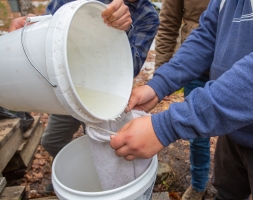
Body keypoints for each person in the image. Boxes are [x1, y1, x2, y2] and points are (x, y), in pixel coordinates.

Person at [110, 0, 253, 199]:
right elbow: (207, 35)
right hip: (234, 128)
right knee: (225, 192)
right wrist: (158, 85)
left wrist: (167, 125)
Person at [9, 0, 159, 194]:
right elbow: (51, 20)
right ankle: (68, 171)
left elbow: (133, 64)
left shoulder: (148, 15)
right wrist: (27, 32)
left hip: (102, 93)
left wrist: (122, 32)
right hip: (64, 88)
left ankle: (97, 182)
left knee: (103, 146)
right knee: (52, 140)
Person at [155, 0, 210, 199]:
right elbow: (168, 24)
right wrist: (161, 77)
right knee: (196, 132)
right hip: (196, 68)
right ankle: (199, 184)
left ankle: (234, 185)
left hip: (233, 65)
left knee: (237, 136)